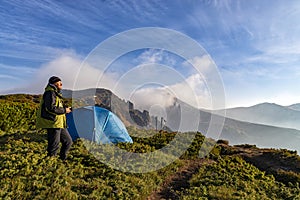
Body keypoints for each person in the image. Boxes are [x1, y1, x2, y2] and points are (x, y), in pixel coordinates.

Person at [36, 76, 72, 161]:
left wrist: (65, 108)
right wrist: (64, 110)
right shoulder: (50, 93)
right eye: (60, 84)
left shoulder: (55, 93)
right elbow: (51, 108)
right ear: (55, 84)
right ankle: (50, 164)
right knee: (54, 146)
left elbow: (55, 106)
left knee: (68, 142)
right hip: (53, 123)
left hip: (59, 123)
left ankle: (62, 159)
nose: (61, 86)